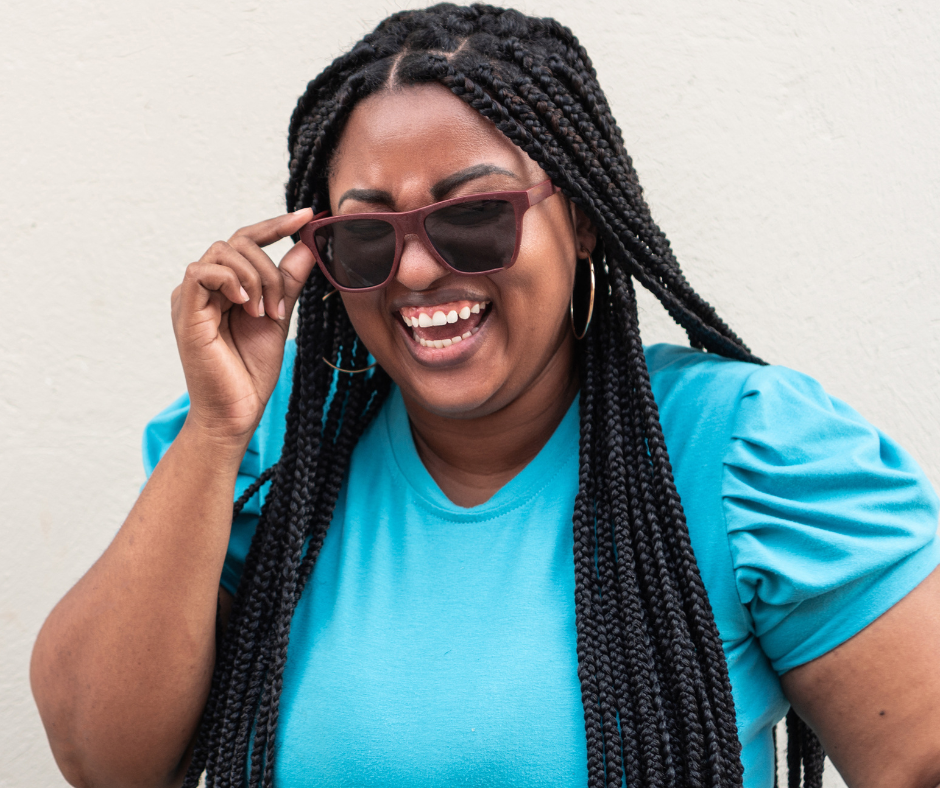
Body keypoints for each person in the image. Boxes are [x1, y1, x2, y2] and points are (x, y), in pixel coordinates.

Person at [30, 4, 940, 788]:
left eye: (475, 215)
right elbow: (105, 764)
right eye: (366, 235)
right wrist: (217, 430)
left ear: (578, 218)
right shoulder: (267, 457)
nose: (417, 269)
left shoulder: (740, 451)